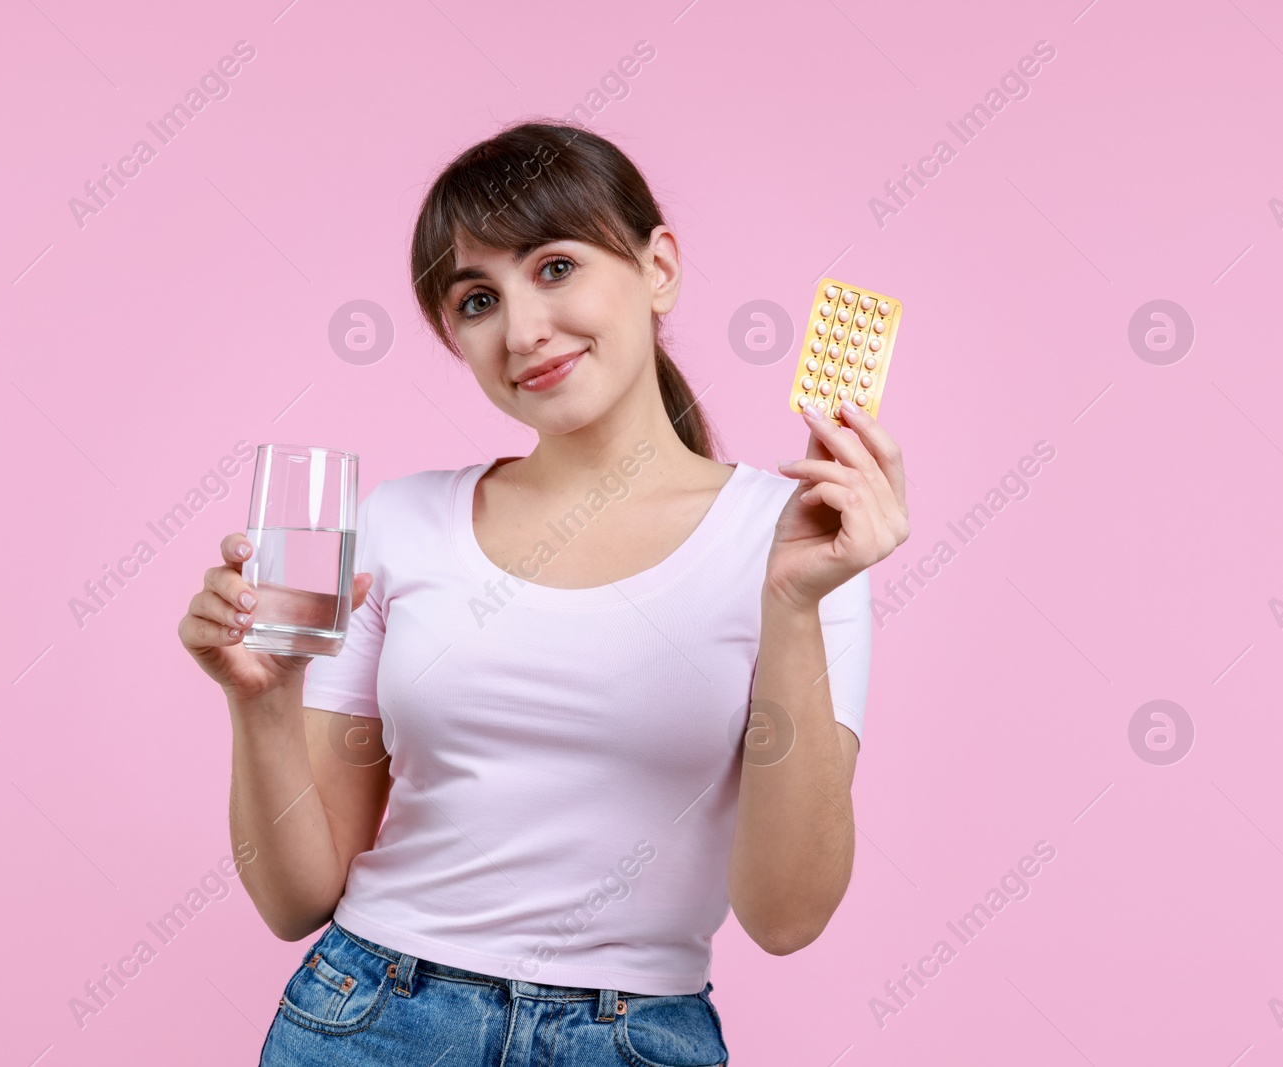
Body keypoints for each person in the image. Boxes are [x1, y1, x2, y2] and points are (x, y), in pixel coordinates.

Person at [178, 121, 910, 1066]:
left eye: (555, 267)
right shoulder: (397, 525)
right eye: (477, 299)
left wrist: (794, 605)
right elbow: (295, 900)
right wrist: (263, 700)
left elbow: (787, 915)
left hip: (634, 1035)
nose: (522, 331)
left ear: (659, 269)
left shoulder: (800, 539)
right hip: (370, 1019)